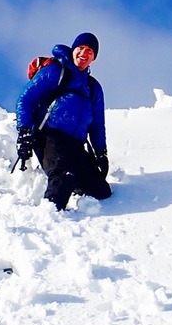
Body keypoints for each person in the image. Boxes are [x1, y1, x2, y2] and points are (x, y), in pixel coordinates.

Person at [15, 32, 112, 210]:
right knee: (64, 176)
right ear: (73, 49)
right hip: (49, 135)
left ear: (94, 57)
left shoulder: (93, 87)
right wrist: (24, 132)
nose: (84, 53)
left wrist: (101, 153)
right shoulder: (55, 72)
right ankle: (48, 216)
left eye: (89, 51)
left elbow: (97, 124)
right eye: (81, 48)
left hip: (76, 144)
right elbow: (25, 100)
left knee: (101, 190)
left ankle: (76, 184)